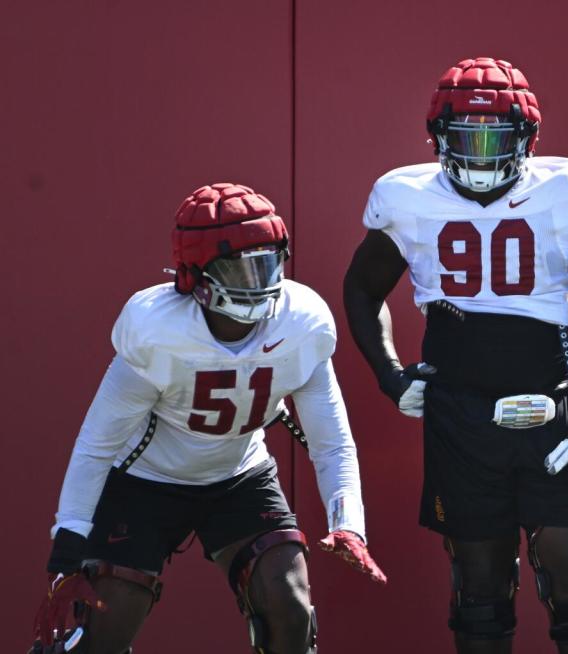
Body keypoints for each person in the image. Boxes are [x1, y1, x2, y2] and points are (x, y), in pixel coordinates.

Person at [343, 57, 568, 654]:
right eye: (466, 138)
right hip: (461, 417)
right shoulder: (405, 196)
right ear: (437, 139)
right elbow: (361, 289)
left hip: (553, 410)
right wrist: (388, 372)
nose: (480, 153)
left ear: (527, 140)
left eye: (495, 138)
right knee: (480, 589)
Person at [32, 183, 386, 654]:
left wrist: (348, 522)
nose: (258, 281)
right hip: (144, 481)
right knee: (102, 634)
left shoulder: (301, 321)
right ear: (194, 274)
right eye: (240, 268)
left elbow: (332, 440)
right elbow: (98, 442)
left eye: (266, 263)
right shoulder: (158, 329)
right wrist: (69, 539)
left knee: (290, 607)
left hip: (238, 475)